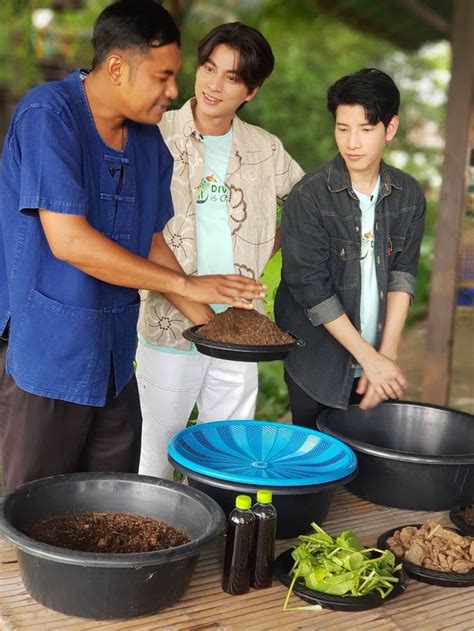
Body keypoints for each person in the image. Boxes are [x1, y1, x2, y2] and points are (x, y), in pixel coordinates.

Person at [0, 1, 264, 495]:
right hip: (48, 356)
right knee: (32, 512)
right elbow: (70, 242)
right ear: (117, 67)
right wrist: (184, 283)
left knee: (109, 507)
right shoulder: (47, 115)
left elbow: (151, 241)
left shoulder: (146, 142)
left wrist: (219, 325)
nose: (173, 91)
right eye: (163, 77)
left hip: (116, 360)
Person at [137, 22, 304, 479]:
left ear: (251, 91)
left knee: (226, 458)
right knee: (158, 454)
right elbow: (139, 234)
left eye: (231, 77)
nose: (214, 84)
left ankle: (218, 549)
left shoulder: (266, 149)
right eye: (209, 68)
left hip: (241, 327)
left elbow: (309, 205)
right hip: (169, 324)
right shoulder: (153, 133)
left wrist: (268, 248)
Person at [274, 68, 425, 427]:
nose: (352, 143)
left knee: (367, 472)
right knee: (314, 468)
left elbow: (402, 276)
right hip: (317, 362)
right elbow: (311, 289)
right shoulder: (308, 197)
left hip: (376, 361)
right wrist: (368, 358)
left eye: (365, 129)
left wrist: (384, 357)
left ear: (390, 129)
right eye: (342, 129)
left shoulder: (408, 195)